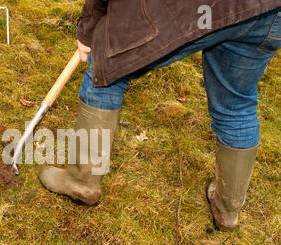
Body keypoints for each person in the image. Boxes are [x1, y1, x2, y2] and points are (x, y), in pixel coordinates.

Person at [38, 0, 281, 231]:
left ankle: (81, 182)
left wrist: (88, 30)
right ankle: (228, 211)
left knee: (104, 71)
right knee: (236, 105)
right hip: (267, 11)